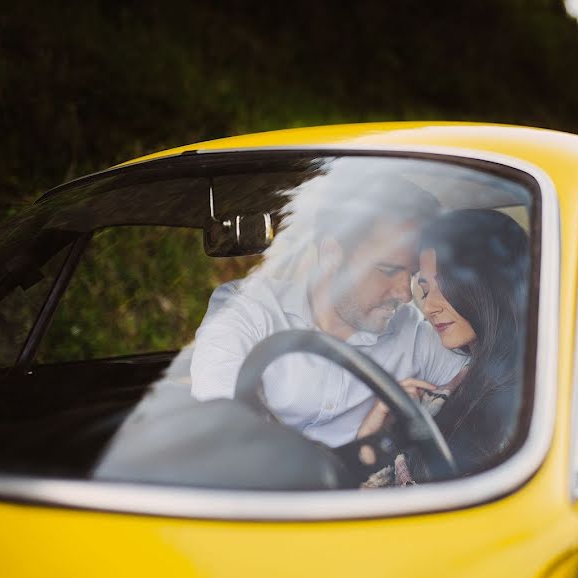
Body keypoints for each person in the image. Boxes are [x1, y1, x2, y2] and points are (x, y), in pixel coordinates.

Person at [189, 176, 466, 448]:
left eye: (413, 274)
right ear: (332, 255)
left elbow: (489, 385)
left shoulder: (415, 334)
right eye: (389, 270)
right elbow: (221, 436)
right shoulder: (246, 310)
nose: (405, 294)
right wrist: (362, 452)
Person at [359, 209, 529, 478]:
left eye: (445, 286)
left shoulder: (527, 403)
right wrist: (371, 437)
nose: (430, 307)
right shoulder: (466, 379)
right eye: (425, 291)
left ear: (491, 283)